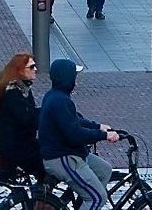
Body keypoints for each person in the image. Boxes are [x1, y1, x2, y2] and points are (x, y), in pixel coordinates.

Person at [39, 59, 119, 209]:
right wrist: (104, 136)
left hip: (71, 153)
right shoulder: (60, 101)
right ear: (67, 78)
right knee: (97, 197)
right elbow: (75, 134)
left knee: (104, 170)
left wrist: (99, 127)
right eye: (74, 76)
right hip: (62, 158)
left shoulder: (55, 96)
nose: (76, 80)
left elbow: (75, 120)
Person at [0, 53, 44, 179]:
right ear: (20, 71)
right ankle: (41, 197)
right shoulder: (13, 93)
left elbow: (30, 114)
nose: (35, 69)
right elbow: (28, 119)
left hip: (23, 144)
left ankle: (42, 196)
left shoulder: (23, 88)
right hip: (17, 149)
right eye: (31, 67)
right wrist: (48, 114)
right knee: (50, 166)